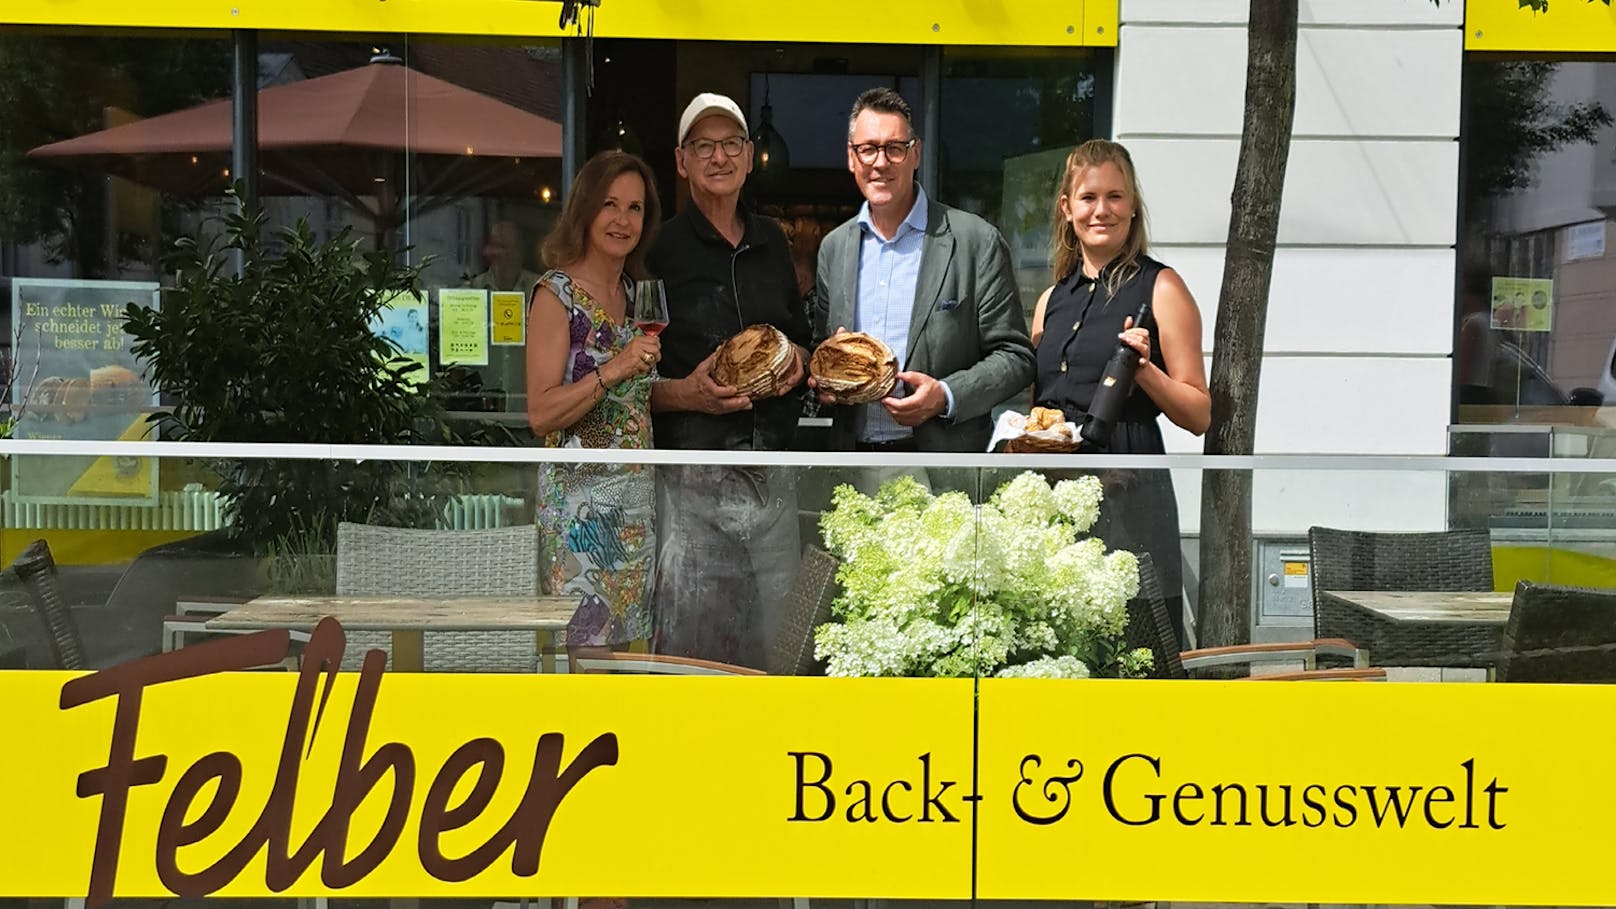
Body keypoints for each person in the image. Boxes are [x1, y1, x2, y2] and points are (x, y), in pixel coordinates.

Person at [647, 92, 810, 669]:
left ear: (748, 157)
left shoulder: (772, 242)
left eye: (732, 145)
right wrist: (684, 394)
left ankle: (780, 747)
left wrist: (798, 363)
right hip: (691, 480)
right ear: (681, 160)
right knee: (694, 642)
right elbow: (627, 377)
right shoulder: (657, 249)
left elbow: (799, 334)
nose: (720, 157)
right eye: (704, 146)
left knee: (784, 641)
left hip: (773, 474)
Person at [1030, 138, 1211, 645]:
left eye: (1115, 196)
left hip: (1131, 489)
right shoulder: (1050, 299)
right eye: (1088, 198)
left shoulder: (1162, 287)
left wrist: (1146, 372)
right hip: (1056, 492)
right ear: (1067, 209)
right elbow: (1040, 406)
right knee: (1060, 641)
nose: (1101, 210)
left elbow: (1199, 413)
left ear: (1133, 206)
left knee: (1135, 642)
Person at [811, 87, 1035, 453]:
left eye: (894, 148)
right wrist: (827, 379)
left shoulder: (975, 241)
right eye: (867, 148)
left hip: (941, 468)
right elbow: (822, 345)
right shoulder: (834, 249)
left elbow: (1016, 357)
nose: (880, 163)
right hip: (853, 464)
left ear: (915, 153)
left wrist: (945, 395)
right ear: (852, 158)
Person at [526, 150, 664, 659]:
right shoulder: (555, 295)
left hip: (635, 509)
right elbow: (540, 413)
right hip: (580, 515)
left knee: (632, 663)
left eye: (635, 208)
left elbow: (636, 399)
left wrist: (692, 386)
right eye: (610, 204)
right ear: (585, 209)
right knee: (588, 662)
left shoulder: (636, 293)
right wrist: (614, 368)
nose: (622, 220)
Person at [472, 221, 543, 411]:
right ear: (489, 252)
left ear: (521, 252)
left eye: (510, 248)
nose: (504, 255)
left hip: (530, 419)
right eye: (499, 247)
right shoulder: (472, 294)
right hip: (482, 419)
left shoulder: (542, 292)